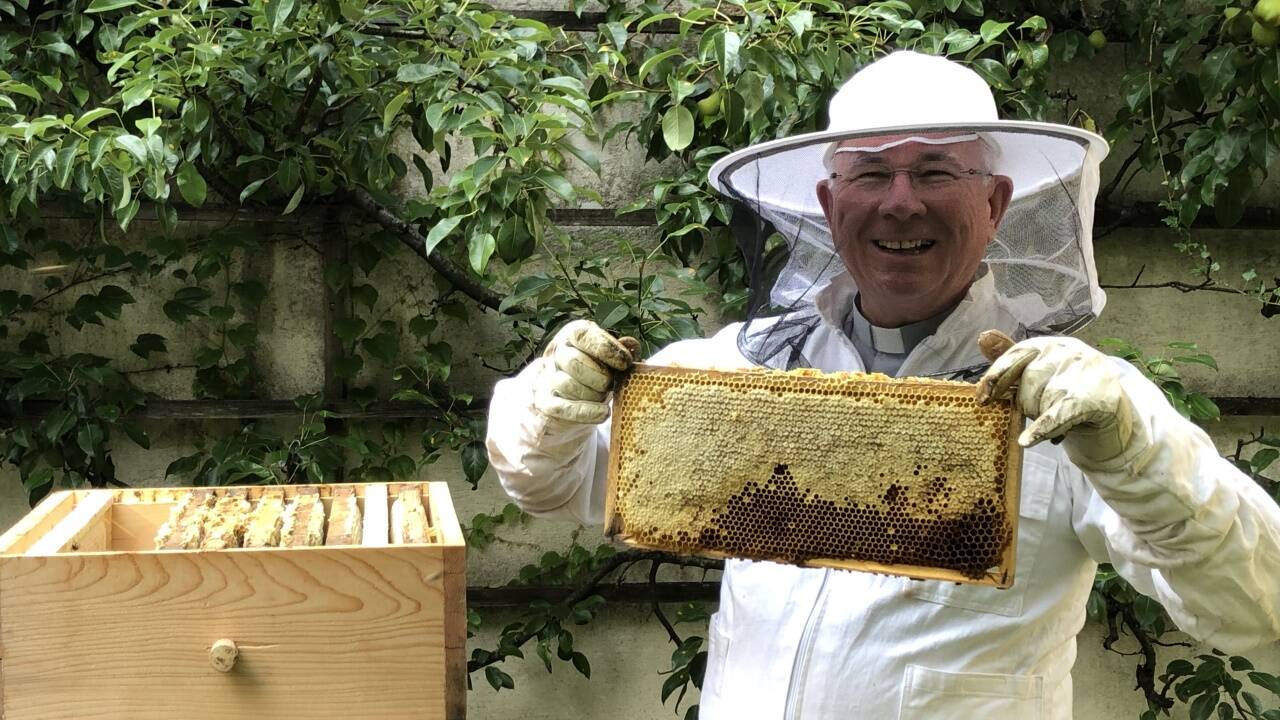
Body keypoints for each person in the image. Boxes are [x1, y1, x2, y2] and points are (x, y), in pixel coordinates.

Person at [486, 51, 1280, 719]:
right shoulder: (742, 367)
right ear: (831, 206)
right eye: (871, 174)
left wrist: (1140, 454)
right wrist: (549, 402)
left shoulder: (1081, 409)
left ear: (995, 202)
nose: (901, 201)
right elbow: (549, 479)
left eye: (935, 170)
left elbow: (1260, 608)